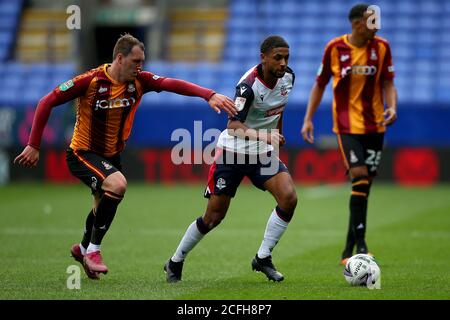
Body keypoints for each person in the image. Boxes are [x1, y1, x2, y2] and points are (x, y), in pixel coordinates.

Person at [13, 33, 237, 280]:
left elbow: (170, 83)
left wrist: (209, 94)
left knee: (102, 205)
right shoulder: (91, 81)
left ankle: (84, 248)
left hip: (112, 156)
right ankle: (94, 251)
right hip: (82, 153)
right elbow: (47, 101)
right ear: (120, 58)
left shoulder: (139, 81)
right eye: (136, 61)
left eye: (142, 61)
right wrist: (33, 144)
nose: (140, 66)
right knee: (117, 185)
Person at [164, 35, 297, 283]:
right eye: (278, 57)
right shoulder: (247, 86)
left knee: (288, 197)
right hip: (232, 153)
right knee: (213, 217)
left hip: (262, 153)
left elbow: (279, 108)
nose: (283, 63)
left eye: (286, 57)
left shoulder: (288, 77)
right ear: (264, 58)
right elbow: (233, 125)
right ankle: (175, 260)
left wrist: (276, 135)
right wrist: (266, 136)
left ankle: (263, 257)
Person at [301, 4, 398, 265]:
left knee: (363, 188)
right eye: (371, 22)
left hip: (376, 127)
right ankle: (362, 244)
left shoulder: (382, 47)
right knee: (359, 176)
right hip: (346, 127)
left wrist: (393, 106)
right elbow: (319, 85)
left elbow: (388, 82)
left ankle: (347, 250)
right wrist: (308, 119)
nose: (376, 28)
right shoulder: (334, 48)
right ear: (356, 24)